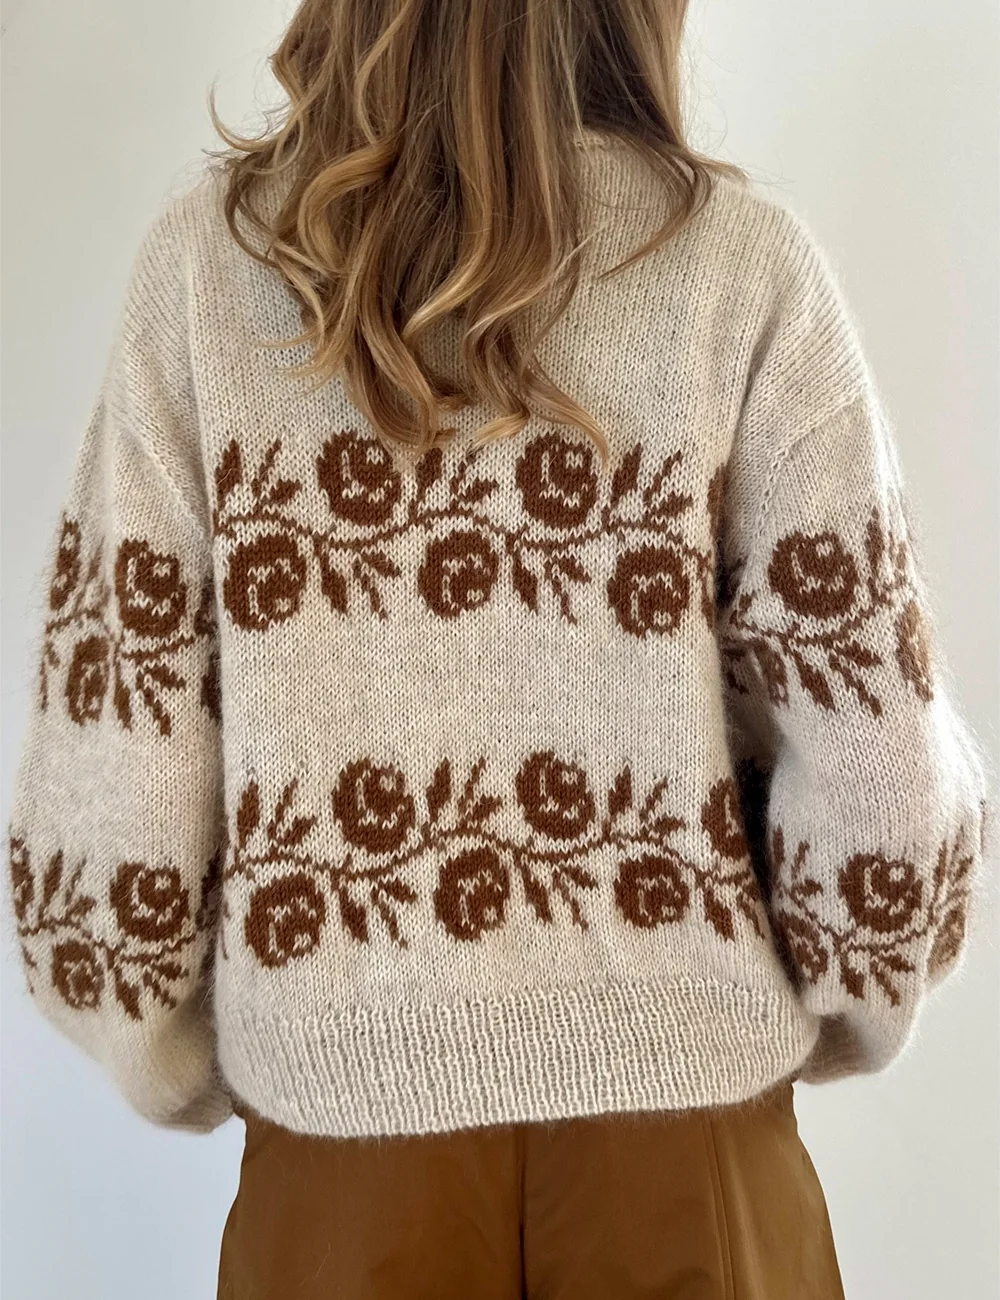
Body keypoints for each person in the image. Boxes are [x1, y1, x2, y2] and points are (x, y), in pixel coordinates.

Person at [6, 0, 994, 1296]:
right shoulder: (742, 266)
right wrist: (831, 1006)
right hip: (691, 1159)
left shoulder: (213, 264)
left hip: (340, 1175)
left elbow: (109, 813)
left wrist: (237, 1054)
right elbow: (885, 791)